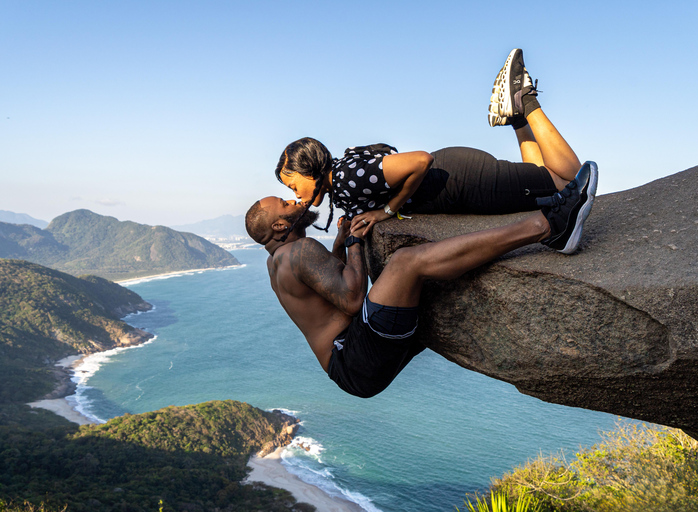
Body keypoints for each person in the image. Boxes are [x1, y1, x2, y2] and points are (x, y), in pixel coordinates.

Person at [246, 161, 598, 398]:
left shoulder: (277, 262)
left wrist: (339, 247)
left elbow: (325, 291)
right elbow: (352, 298)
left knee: (432, 288)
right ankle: (550, 226)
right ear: (279, 226)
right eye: (284, 203)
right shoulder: (300, 249)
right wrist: (354, 243)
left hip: (350, 370)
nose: (294, 200)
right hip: (355, 356)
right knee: (404, 263)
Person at [274, 49, 583, 239]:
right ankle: (516, 118)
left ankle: (524, 99)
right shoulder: (340, 182)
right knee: (539, 174)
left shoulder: (346, 177)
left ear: (311, 169)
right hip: (460, 180)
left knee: (567, 179)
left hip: (464, 183)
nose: (296, 197)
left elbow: (420, 160)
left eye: (293, 187)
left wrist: (387, 211)